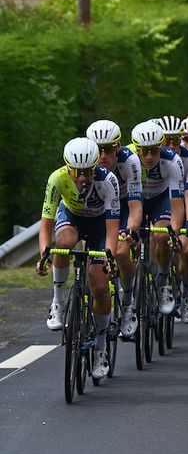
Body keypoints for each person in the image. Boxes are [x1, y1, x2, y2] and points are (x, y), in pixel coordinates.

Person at [37, 138, 121, 382]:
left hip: (99, 225)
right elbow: (46, 224)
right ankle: (58, 302)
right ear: (67, 167)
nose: (82, 177)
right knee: (62, 244)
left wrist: (109, 258)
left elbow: (113, 228)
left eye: (87, 172)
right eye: (77, 172)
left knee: (100, 285)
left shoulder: (108, 181)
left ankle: (101, 348)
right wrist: (45, 254)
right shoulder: (57, 179)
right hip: (71, 217)